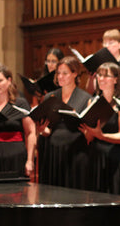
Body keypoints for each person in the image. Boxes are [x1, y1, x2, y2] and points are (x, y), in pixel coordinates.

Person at [36, 56, 92, 189]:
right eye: (58, 73)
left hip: (76, 151)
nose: (60, 76)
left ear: (75, 73)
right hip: (53, 151)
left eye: (65, 73)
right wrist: (43, 131)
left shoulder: (86, 98)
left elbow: (88, 128)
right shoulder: (50, 97)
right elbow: (47, 128)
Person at [80, 62, 120, 195]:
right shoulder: (92, 101)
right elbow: (90, 137)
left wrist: (101, 135)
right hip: (96, 156)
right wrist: (87, 132)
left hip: (116, 157)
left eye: (106, 76)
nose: (101, 79)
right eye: (99, 75)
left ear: (116, 79)